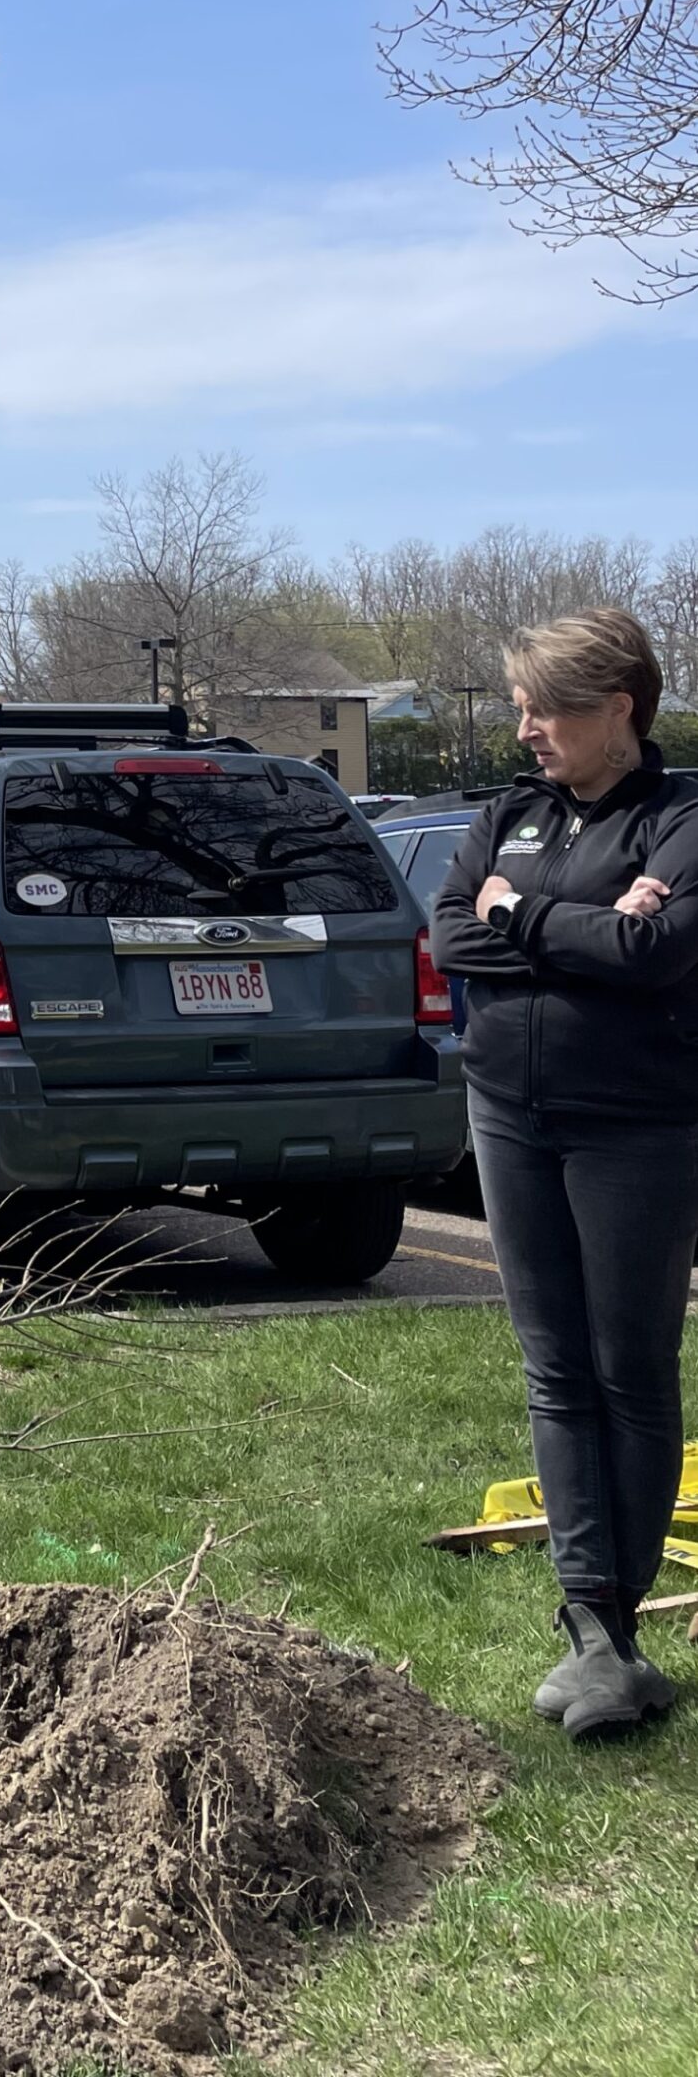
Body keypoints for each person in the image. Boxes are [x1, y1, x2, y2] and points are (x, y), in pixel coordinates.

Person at [432, 608, 698, 1738]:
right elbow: (450, 931)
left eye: (548, 710)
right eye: (523, 706)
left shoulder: (682, 817)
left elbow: (661, 952)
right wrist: (578, 924)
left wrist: (524, 910)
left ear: (619, 711)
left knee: (627, 1367)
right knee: (552, 1368)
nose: (527, 728)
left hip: (637, 1124)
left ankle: (617, 1623)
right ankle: (592, 1623)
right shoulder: (510, 812)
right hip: (507, 1114)